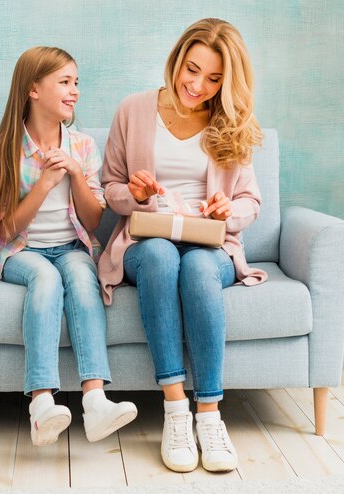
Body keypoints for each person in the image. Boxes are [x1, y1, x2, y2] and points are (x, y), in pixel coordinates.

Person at [98, 19, 267, 472]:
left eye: (214, 79)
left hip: (209, 242)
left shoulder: (229, 121)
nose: (197, 86)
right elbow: (108, 186)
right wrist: (131, 195)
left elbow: (251, 200)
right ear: (177, 59)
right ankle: (175, 410)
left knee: (195, 268)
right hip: (144, 238)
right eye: (191, 70)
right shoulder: (134, 110)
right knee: (158, 254)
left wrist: (228, 210)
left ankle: (209, 416)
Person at [0, 46, 137, 447]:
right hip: (18, 251)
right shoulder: (3, 152)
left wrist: (76, 175)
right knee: (46, 280)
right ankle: (41, 403)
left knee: (83, 278)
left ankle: (96, 401)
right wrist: (46, 182)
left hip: (71, 245)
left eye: (76, 82)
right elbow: (6, 227)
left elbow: (94, 221)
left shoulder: (82, 146)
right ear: (33, 89)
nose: (74, 91)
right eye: (64, 82)